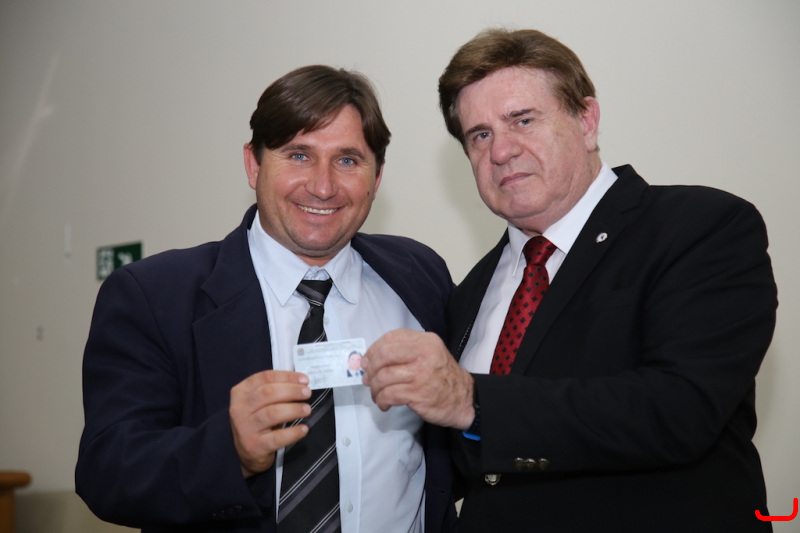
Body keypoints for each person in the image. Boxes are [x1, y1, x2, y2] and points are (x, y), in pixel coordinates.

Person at [362, 29, 777, 532]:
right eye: (480, 135)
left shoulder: (700, 227)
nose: (501, 151)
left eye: (523, 120)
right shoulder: (469, 292)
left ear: (586, 120)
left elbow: (681, 409)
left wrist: (472, 400)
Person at [76, 65, 457, 533]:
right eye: (299, 155)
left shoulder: (421, 277)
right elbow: (107, 472)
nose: (322, 186)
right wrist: (229, 451)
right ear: (253, 164)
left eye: (347, 160)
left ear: (376, 178)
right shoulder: (154, 295)